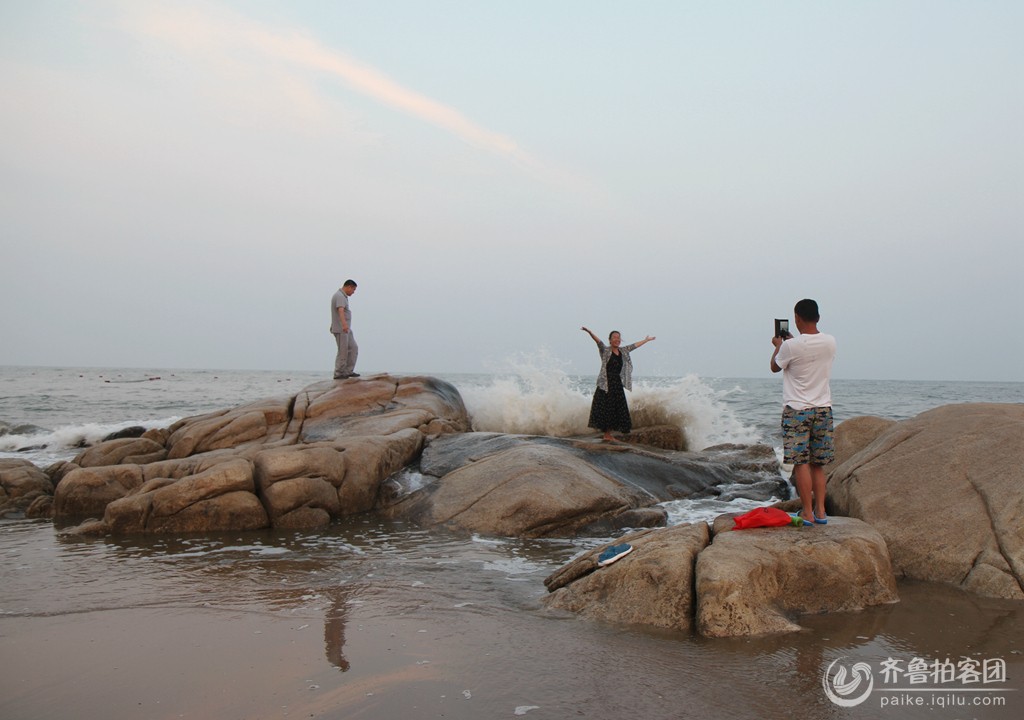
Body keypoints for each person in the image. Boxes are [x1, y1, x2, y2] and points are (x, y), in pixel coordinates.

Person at [770, 299, 837, 525]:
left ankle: (807, 512)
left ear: (797, 318)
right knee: (818, 463)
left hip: (797, 410)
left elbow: (774, 366)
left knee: (801, 463)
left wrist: (778, 345)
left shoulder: (790, 346)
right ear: (817, 317)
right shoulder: (830, 342)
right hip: (823, 409)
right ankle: (820, 511)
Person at [581, 327, 656, 441]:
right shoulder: (605, 351)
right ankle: (606, 435)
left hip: (617, 384)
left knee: (616, 409)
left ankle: (608, 434)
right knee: (606, 409)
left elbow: (634, 346)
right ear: (610, 340)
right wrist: (590, 332)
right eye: (614, 337)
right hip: (606, 384)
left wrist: (645, 340)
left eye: (618, 337)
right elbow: (598, 342)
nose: (617, 339)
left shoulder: (623, 351)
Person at [330, 280, 359, 379]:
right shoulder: (340, 296)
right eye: (353, 289)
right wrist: (344, 325)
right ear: (349, 287)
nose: (353, 292)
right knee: (343, 351)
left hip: (346, 329)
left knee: (353, 347)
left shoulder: (342, 296)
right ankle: (339, 373)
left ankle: (348, 370)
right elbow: (340, 311)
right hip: (341, 329)